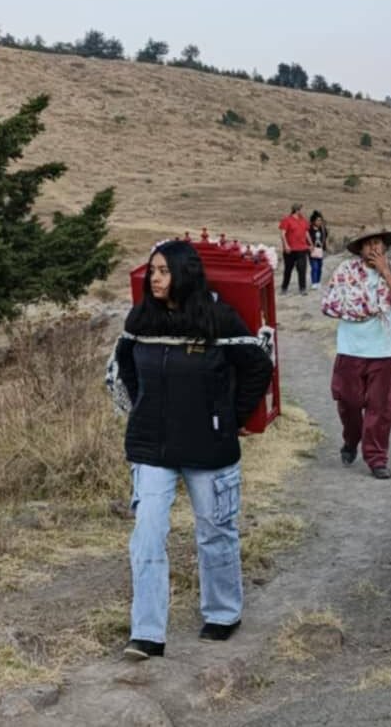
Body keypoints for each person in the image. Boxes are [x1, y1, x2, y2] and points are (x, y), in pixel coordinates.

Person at [115, 241, 274, 658]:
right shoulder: (142, 318)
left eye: (164, 271)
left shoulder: (217, 319)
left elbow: (258, 366)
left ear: (184, 273)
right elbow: (126, 363)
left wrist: (230, 416)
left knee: (215, 531)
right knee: (146, 534)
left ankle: (223, 614)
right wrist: (143, 404)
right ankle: (146, 633)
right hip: (151, 446)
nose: (155, 278)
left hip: (208, 446)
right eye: (152, 271)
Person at [321, 228, 391, 479]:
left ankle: (376, 458)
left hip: (383, 350)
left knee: (380, 408)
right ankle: (351, 439)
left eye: (378, 243)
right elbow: (330, 304)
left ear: (385, 248)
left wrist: (385, 271)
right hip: (351, 348)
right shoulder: (345, 271)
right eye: (368, 244)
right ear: (360, 250)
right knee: (348, 402)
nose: (374, 248)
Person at [278, 204, 310, 295]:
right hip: (290, 250)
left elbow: (306, 233)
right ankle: (284, 288)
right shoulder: (287, 220)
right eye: (300, 209)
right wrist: (286, 245)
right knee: (288, 269)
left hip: (302, 249)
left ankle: (302, 288)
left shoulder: (304, 221)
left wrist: (310, 244)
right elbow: (282, 234)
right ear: (296, 210)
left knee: (302, 269)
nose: (301, 211)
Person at [307, 210, 328, 290]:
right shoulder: (309, 229)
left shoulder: (323, 229)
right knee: (314, 266)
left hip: (320, 250)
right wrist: (309, 246)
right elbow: (306, 238)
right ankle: (314, 282)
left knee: (319, 266)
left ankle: (318, 281)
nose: (319, 222)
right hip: (312, 250)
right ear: (313, 221)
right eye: (318, 220)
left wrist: (324, 246)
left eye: (320, 220)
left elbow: (325, 236)